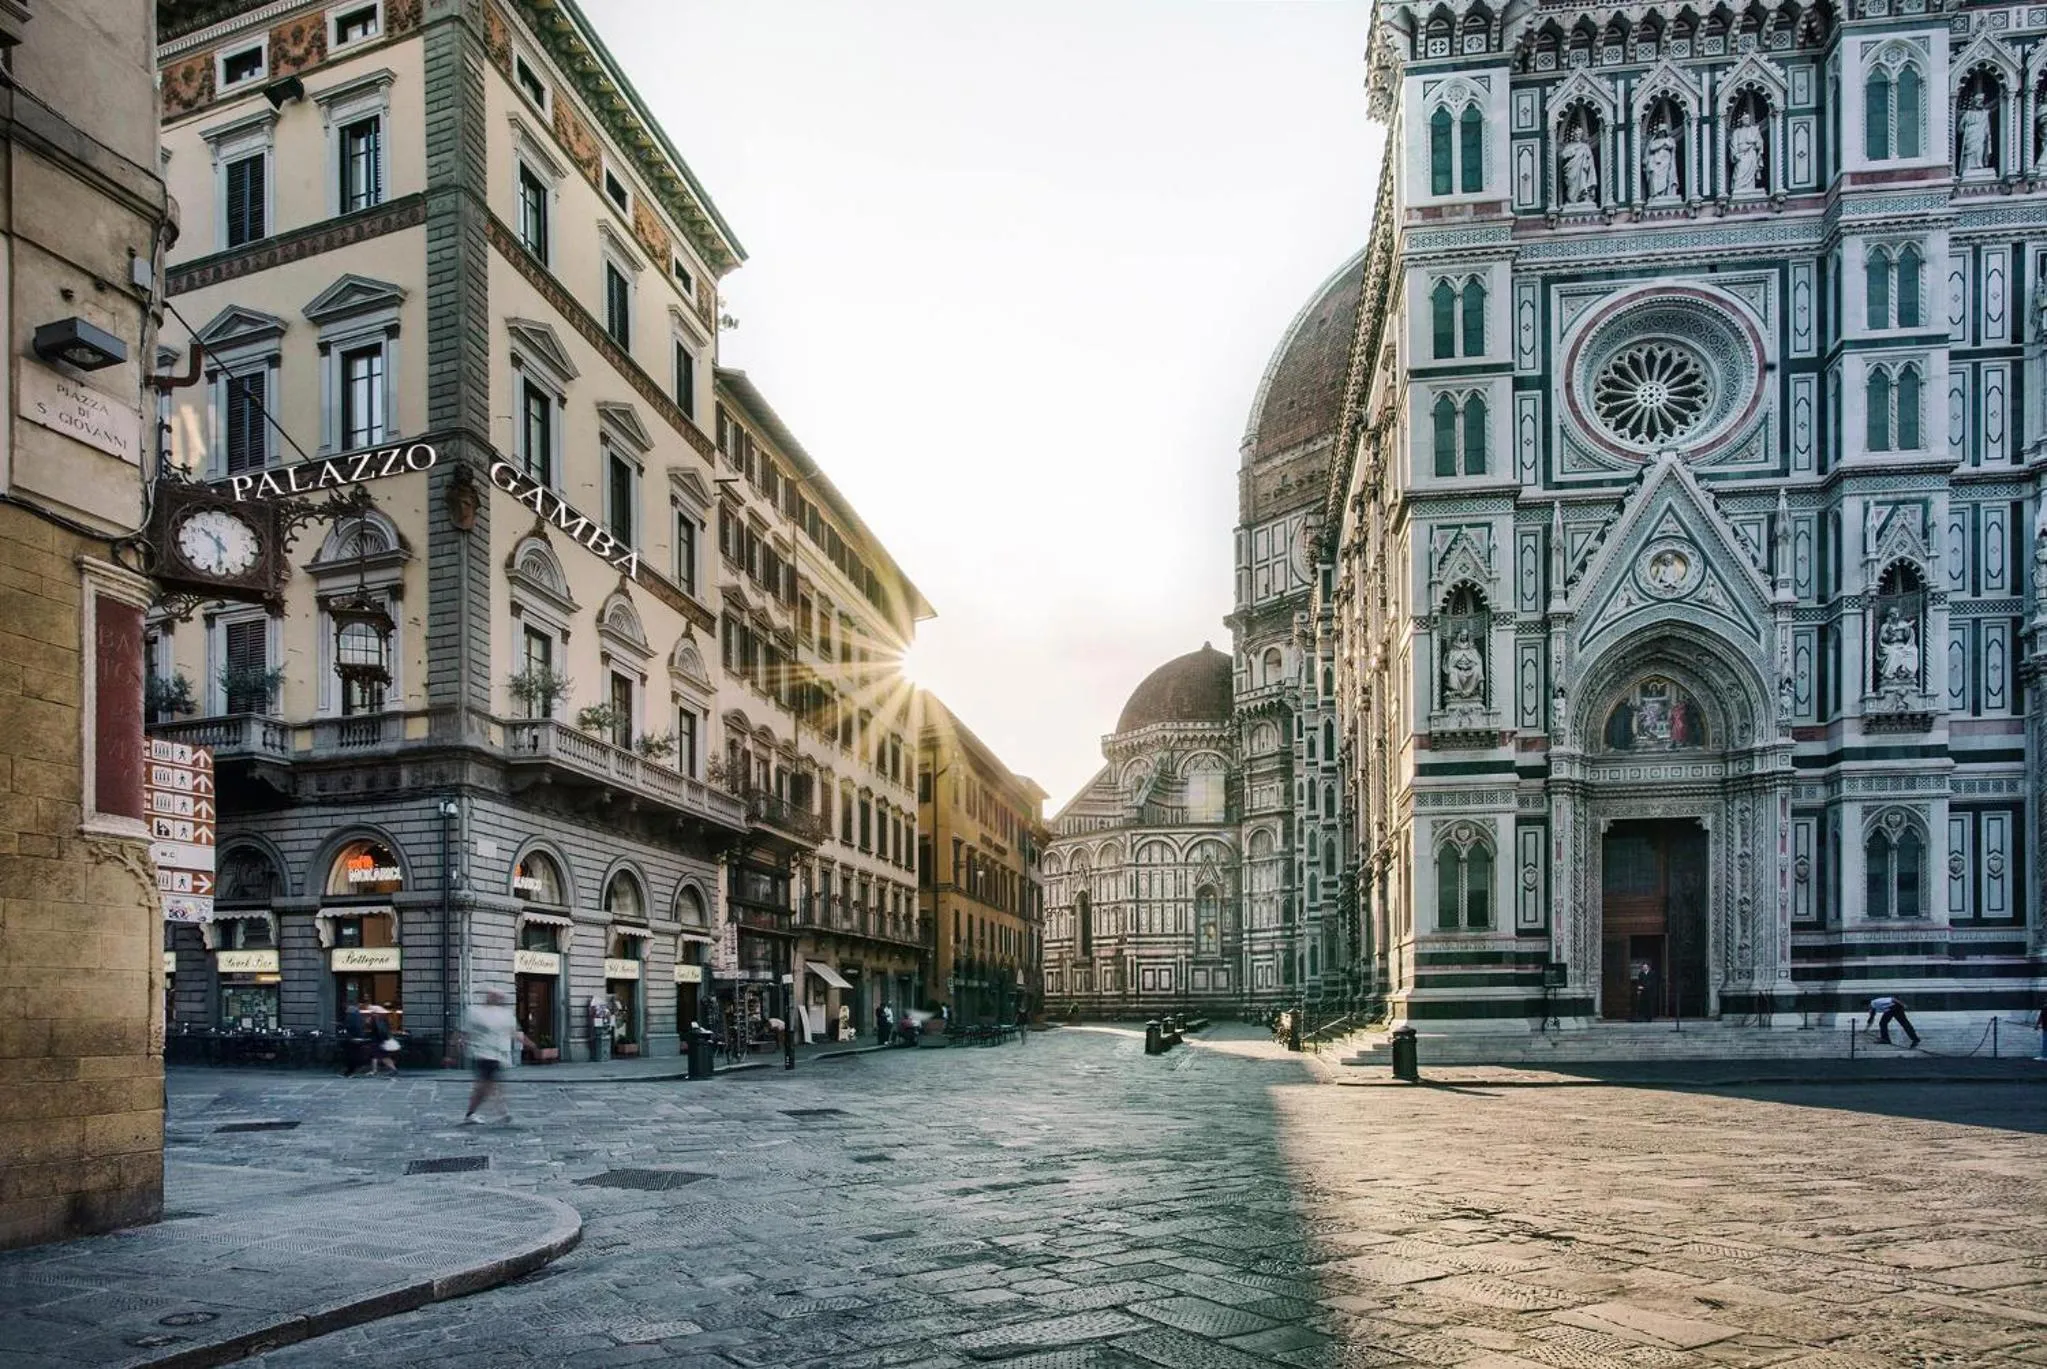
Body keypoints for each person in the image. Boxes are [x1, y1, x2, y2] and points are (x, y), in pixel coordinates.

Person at [462, 988, 529, 1125]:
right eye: (494, 996)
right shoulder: (476, 1012)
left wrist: (530, 1044)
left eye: (499, 997)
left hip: (499, 1054)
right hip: (483, 1053)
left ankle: (472, 1113)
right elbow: (465, 1032)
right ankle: (503, 1112)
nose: (497, 999)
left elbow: (514, 1032)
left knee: (486, 1086)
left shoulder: (505, 1014)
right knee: (490, 1084)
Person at [341, 1002, 367, 1077]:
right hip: (358, 1037)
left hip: (353, 1038)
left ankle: (351, 1071)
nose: (346, 1010)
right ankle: (353, 1069)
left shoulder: (351, 1016)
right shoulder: (358, 1015)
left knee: (351, 1055)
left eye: (347, 1008)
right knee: (355, 1054)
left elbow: (350, 1026)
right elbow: (361, 1025)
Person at [369, 1007, 398, 1075]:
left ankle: (375, 1071)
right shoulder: (383, 1019)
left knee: (380, 1056)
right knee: (380, 1056)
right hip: (381, 1040)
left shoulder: (377, 1020)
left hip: (378, 1040)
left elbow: (380, 1031)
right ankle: (392, 1069)